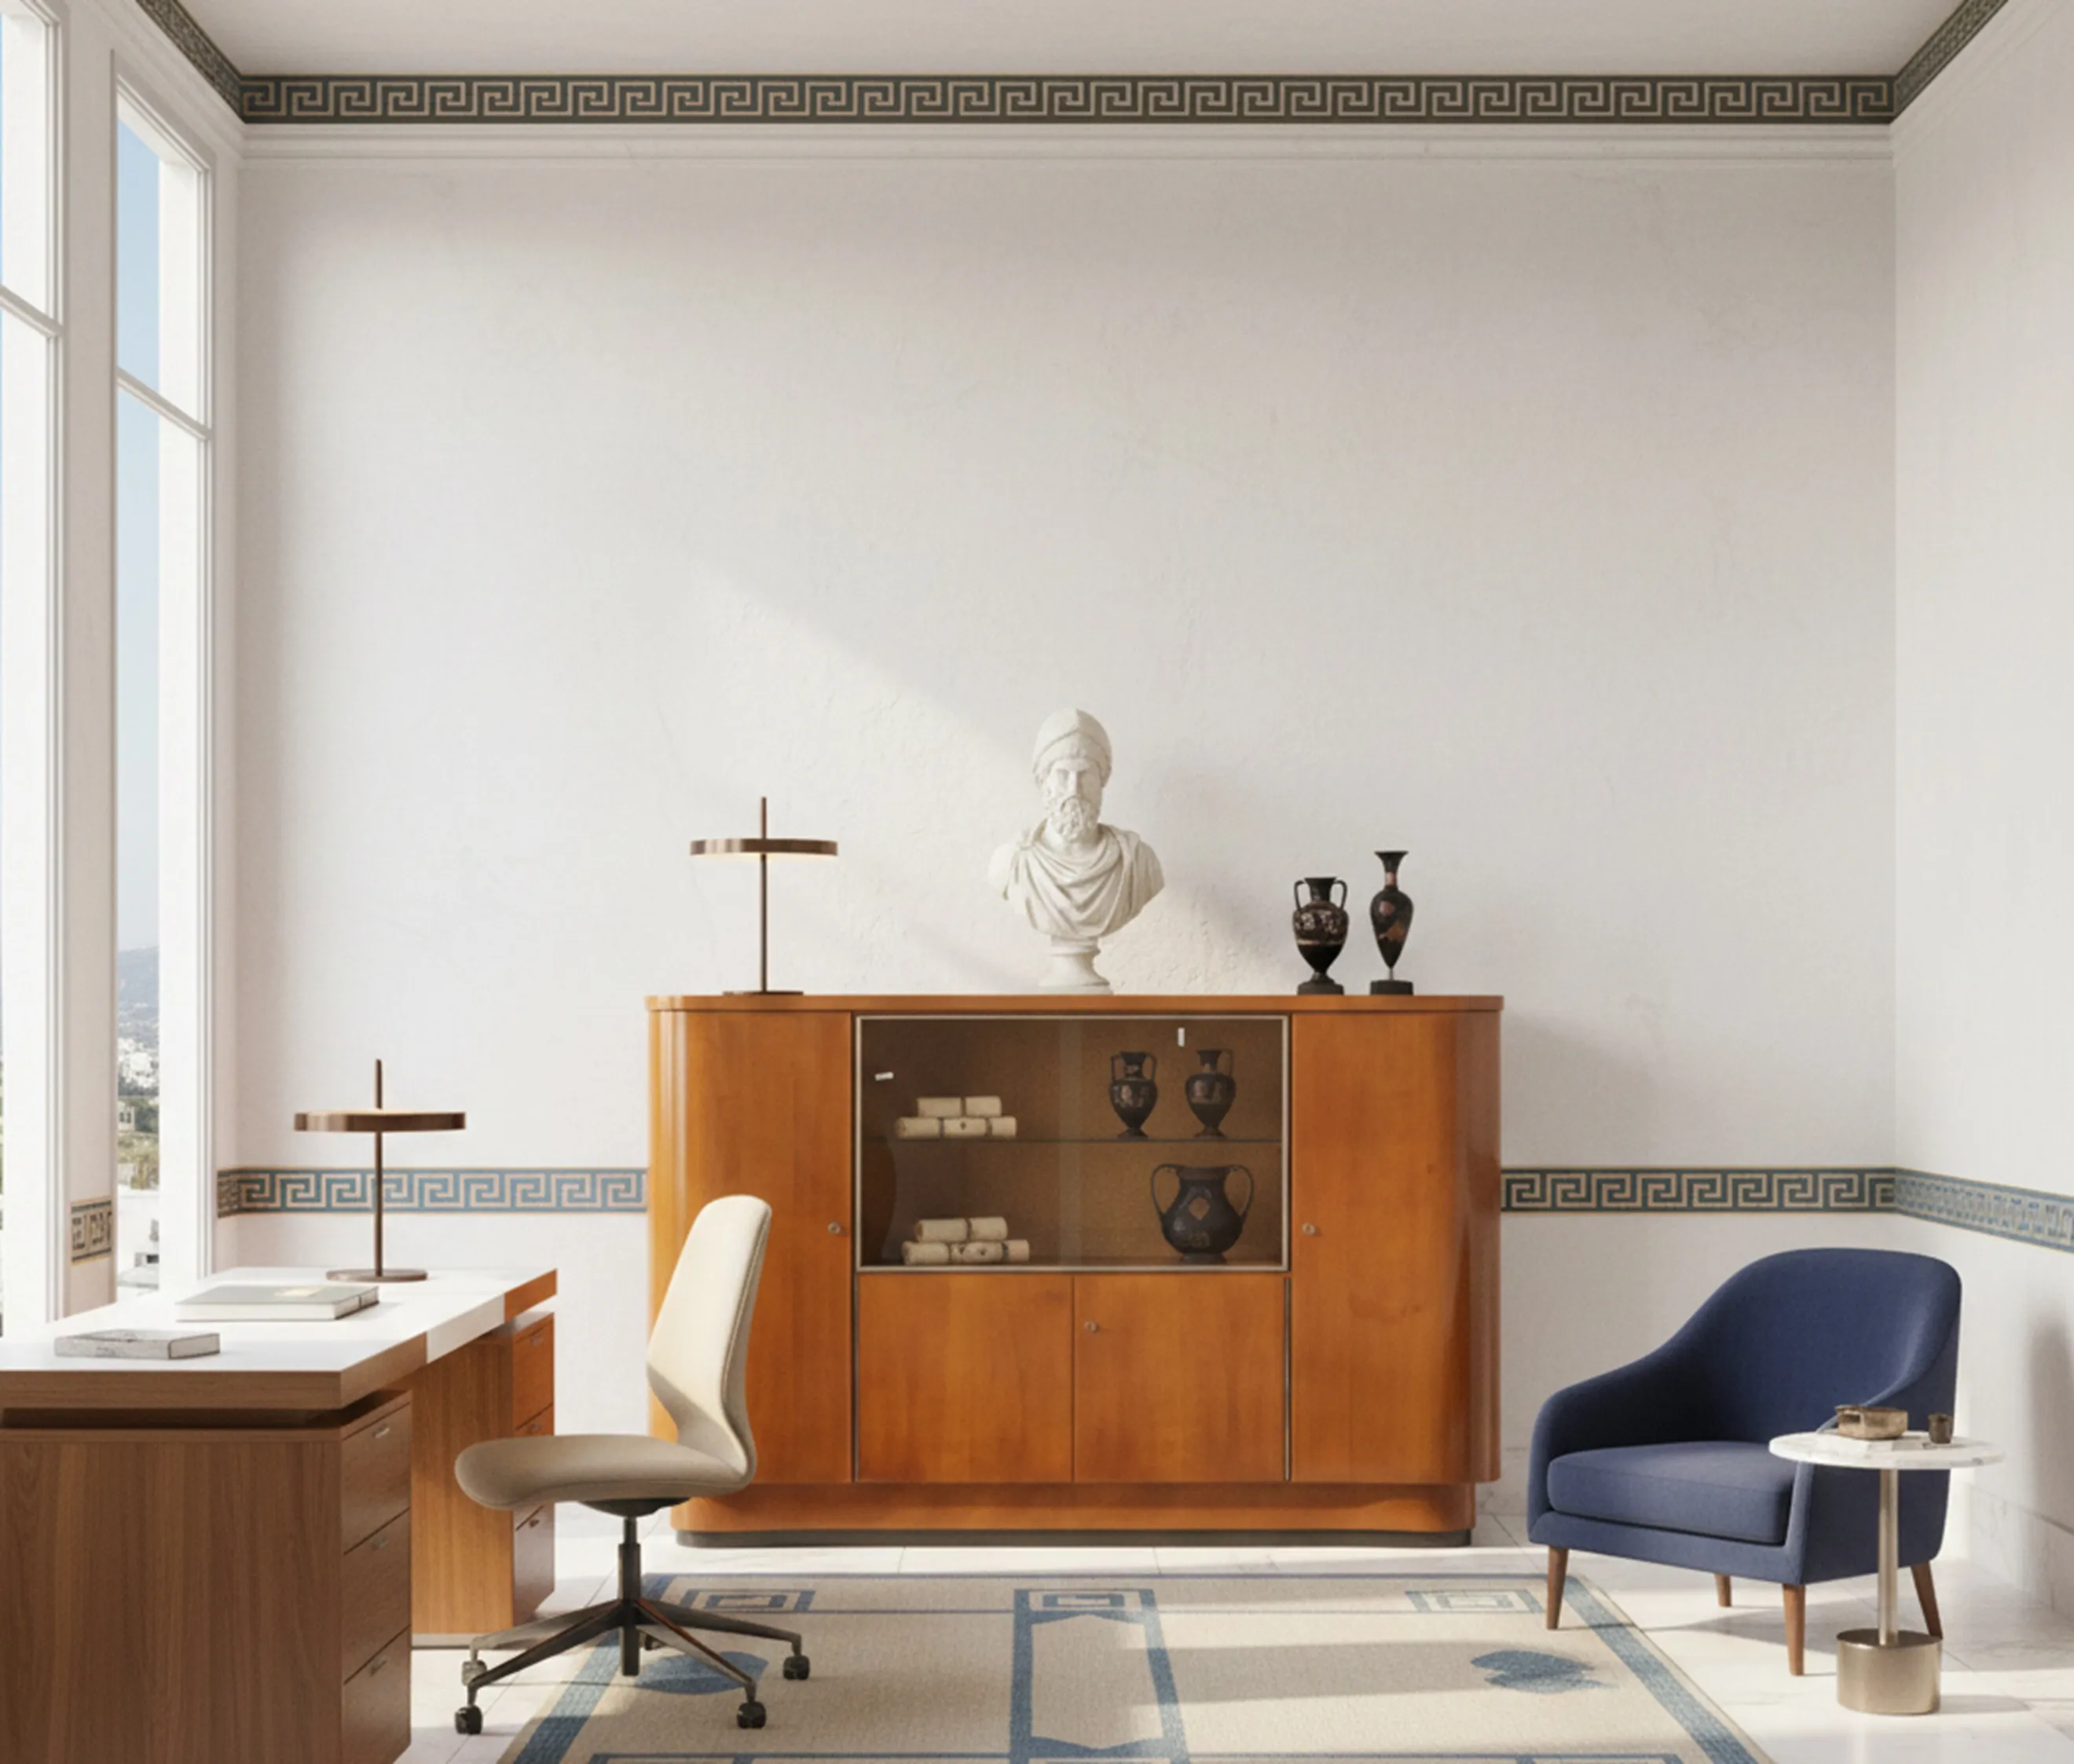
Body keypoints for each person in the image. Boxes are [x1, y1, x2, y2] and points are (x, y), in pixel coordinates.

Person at [988, 709, 1163, 992]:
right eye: (1062, 775)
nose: (1074, 788)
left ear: (1102, 781)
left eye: (1085, 775)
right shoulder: (1012, 864)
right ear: (1043, 781)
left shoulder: (1137, 862)